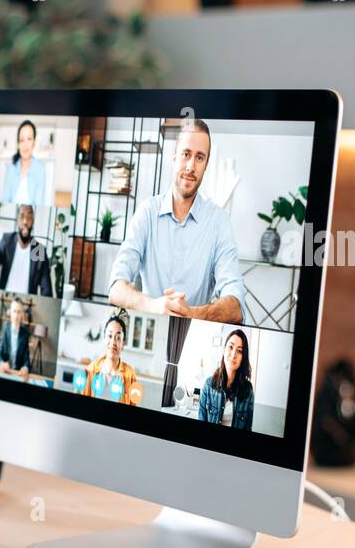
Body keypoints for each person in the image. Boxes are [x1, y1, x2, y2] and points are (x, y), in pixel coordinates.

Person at [107, 118, 245, 322]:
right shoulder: (146, 212)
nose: (190, 166)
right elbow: (116, 289)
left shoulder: (219, 222)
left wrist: (192, 314)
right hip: (151, 330)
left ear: (206, 165)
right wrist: (155, 305)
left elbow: (236, 306)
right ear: (174, 158)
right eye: (186, 154)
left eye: (199, 158)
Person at [0, 204, 52, 295]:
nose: (25, 221)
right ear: (17, 221)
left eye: (29, 217)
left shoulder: (39, 250)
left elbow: (46, 288)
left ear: (33, 222)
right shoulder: (7, 240)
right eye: (22, 217)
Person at [198, 329, 255, 429]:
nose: (233, 355)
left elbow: (248, 427)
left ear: (243, 357)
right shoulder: (208, 385)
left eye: (239, 351)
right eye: (230, 347)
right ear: (224, 350)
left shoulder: (248, 390)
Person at [78, 315, 141, 404]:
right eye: (110, 336)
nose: (113, 342)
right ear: (104, 339)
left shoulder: (130, 374)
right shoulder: (92, 368)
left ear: (123, 343)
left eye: (118, 338)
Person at [1, 119, 47, 204]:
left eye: (29, 139)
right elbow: (5, 199)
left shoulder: (40, 169)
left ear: (34, 142)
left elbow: (39, 202)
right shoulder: (11, 167)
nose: (25, 144)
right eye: (22, 140)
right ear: (18, 144)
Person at [0, 299, 32, 382]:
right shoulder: (5, 329)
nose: (16, 315)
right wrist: (2, 363)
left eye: (19, 312)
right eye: (14, 311)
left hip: (18, 374)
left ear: (22, 314)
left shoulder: (25, 333)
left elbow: (27, 359)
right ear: (10, 313)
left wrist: (26, 368)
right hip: (5, 372)